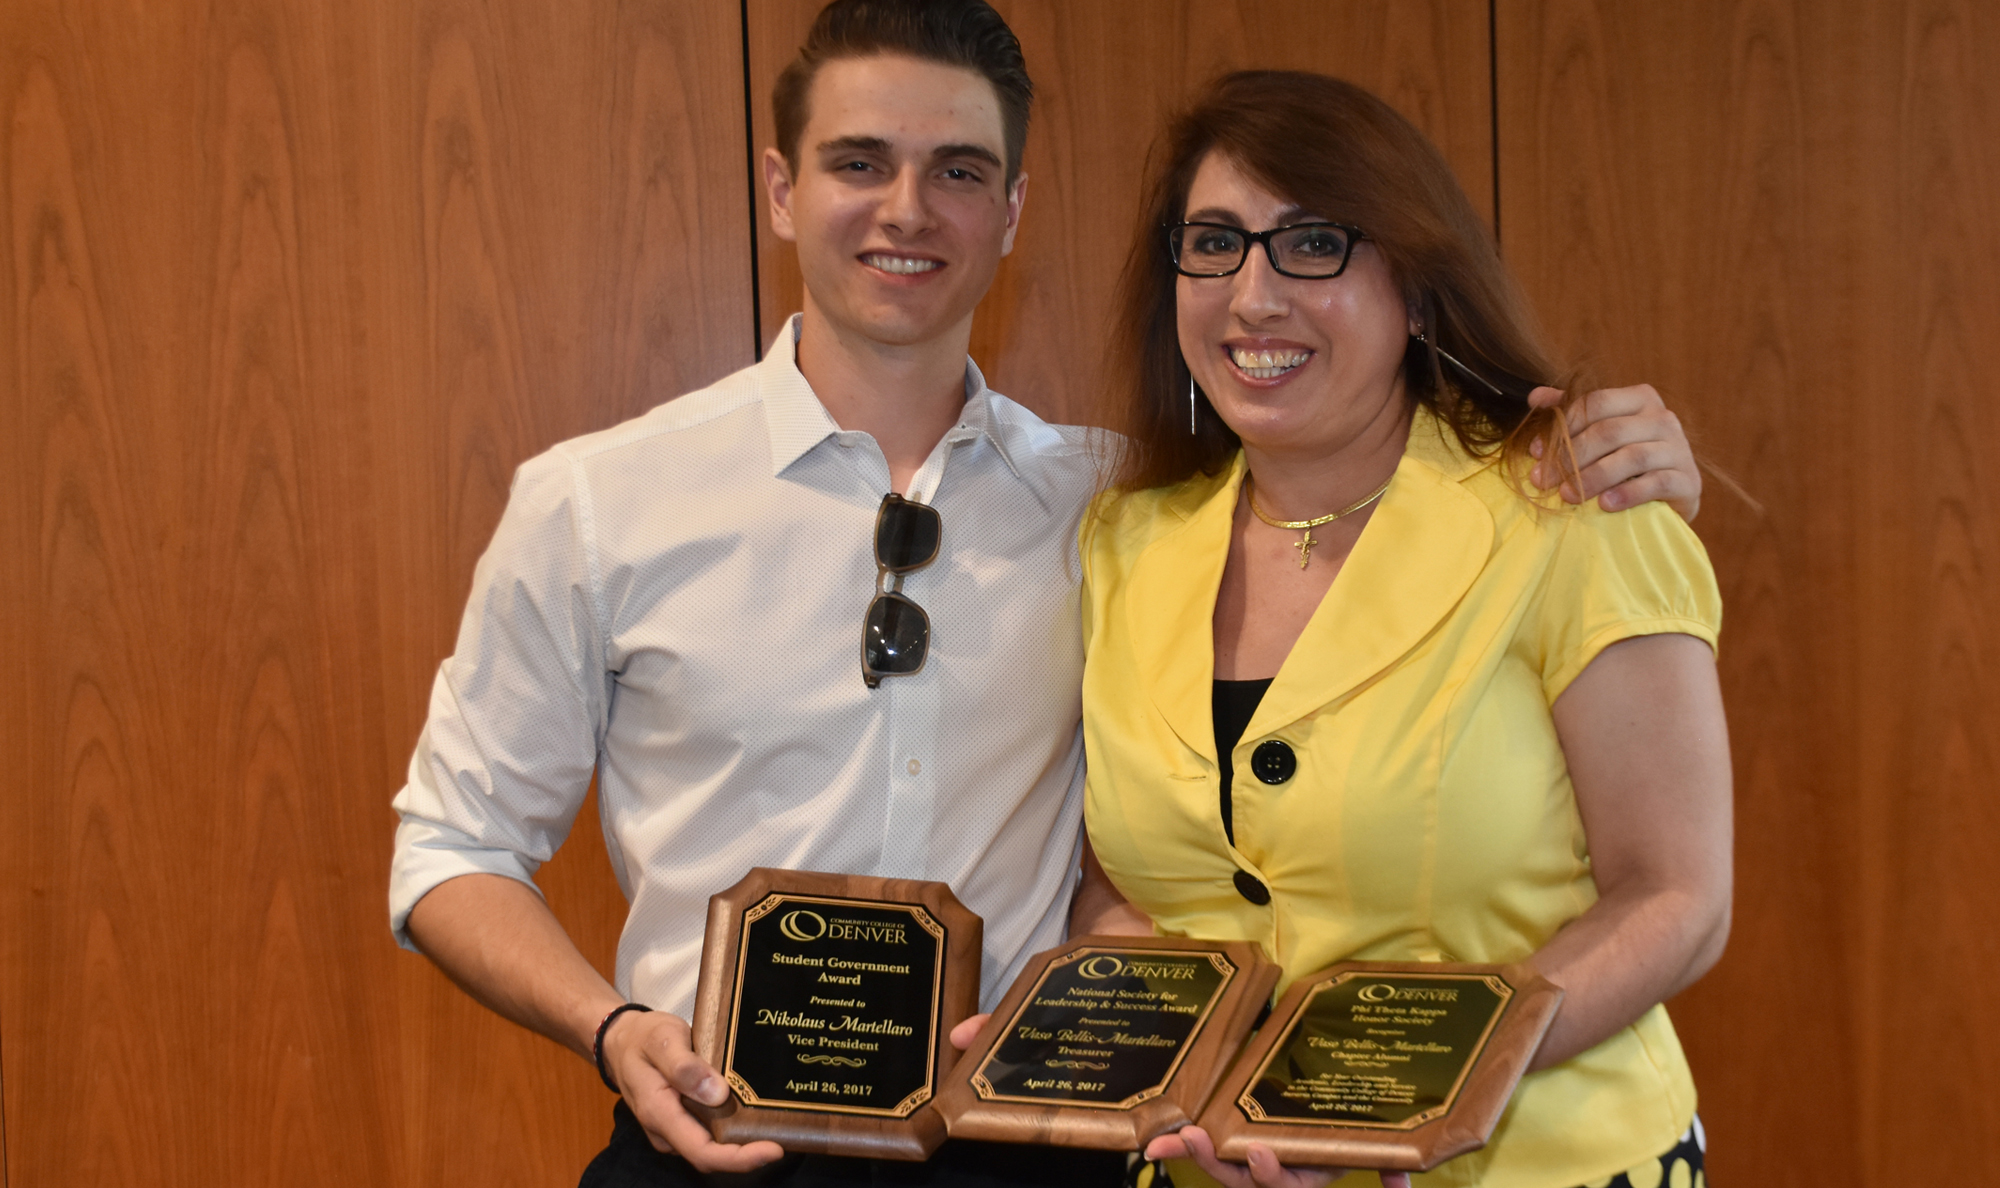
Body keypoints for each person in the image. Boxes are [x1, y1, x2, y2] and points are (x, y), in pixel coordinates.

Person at [388, 4, 1709, 1186]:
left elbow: (1665, 879)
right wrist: (612, 1029)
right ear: (782, 190)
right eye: (859, 162)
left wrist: (1624, 447)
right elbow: (451, 847)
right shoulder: (596, 502)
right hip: (714, 1144)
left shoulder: (1098, 506)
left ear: (1012, 213)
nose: (907, 209)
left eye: (957, 171)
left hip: (1048, 1151)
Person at [1071, 71, 1732, 1188]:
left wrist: (1398, 1095)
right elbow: (1117, 887)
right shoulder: (1121, 542)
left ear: (1417, 293)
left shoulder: (1571, 514)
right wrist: (1195, 1073)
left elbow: (1674, 896)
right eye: (1214, 243)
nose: (1252, 296)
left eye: (1313, 245)